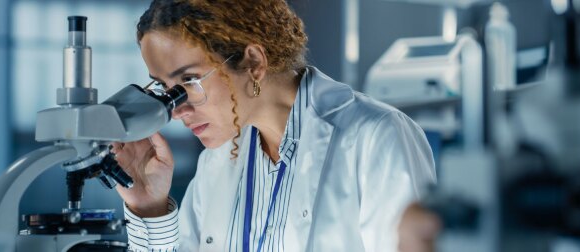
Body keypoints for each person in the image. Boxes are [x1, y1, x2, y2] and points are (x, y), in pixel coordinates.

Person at [109, 0, 437, 251]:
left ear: (253, 62)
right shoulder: (220, 158)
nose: (176, 111)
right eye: (165, 89)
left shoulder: (376, 136)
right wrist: (150, 208)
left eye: (189, 81)